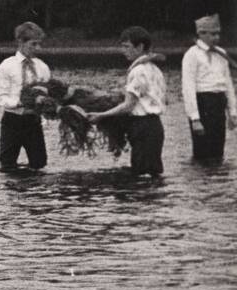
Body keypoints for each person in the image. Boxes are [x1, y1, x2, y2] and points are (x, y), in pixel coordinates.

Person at [86, 26, 166, 176]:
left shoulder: (138, 71)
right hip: (155, 126)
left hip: (142, 126)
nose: (123, 51)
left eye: (127, 46)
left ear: (140, 47)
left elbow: (128, 106)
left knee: (142, 174)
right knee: (152, 173)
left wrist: (102, 115)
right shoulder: (155, 69)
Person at [0, 21, 52, 172]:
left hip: (33, 121)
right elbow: (2, 98)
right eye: (33, 44)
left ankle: (34, 192)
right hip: (12, 120)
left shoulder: (42, 67)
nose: (37, 49)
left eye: (39, 44)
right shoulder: (7, 65)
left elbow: (47, 94)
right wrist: (20, 102)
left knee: (39, 164)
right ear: (20, 42)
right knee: (7, 165)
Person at [181, 14, 237, 162]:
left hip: (218, 103)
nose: (216, 37)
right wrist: (195, 118)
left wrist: (232, 112)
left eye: (218, 33)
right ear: (200, 34)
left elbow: (228, 84)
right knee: (202, 150)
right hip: (203, 103)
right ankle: (202, 181)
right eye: (212, 34)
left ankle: (217, 182)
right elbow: (188, 87)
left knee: (218, 148)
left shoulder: (221, 54)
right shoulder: (192, 55)